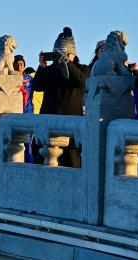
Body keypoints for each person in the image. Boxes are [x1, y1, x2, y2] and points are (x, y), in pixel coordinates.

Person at [32, 27, 87, 167]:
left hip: (71, 131)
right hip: (47, 127)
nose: (60, 57)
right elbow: (36, 86)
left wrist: (68, 63)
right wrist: (42, 67)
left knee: (72, 169)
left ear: (72, 53)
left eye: (63, 53)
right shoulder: (51, 69)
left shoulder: (82, 69)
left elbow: (81, 81)